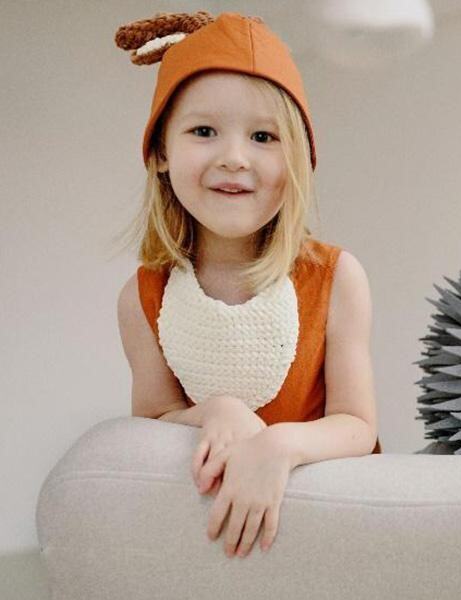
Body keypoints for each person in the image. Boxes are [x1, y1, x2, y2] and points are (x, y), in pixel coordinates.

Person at [113, 11, 378, 558]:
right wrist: (217, 410)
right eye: (204, 131)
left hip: (332, 535)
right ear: (161, 151)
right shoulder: (143, 299)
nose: (234, 158)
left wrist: (279, 445)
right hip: (213, 547)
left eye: (263, 136)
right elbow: (153, 427)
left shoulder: (336, 278)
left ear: (298, 160)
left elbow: (357, 426)